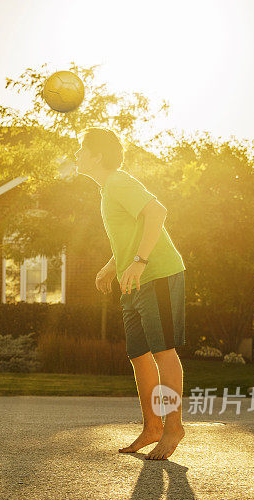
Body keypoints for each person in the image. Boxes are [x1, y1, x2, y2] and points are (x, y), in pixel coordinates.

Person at [75, 128, 186, 460]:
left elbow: (157, 212)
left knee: (163, 351)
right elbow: (132, 232)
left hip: (159, 273)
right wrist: (112, 266)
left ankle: (173, 428)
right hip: (134, 280)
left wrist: (138, 261)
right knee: (139, 356)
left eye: (81, 149)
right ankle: (152, 427)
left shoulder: (119, 181)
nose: (76, 154)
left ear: (97, 155)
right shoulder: (108, 189)